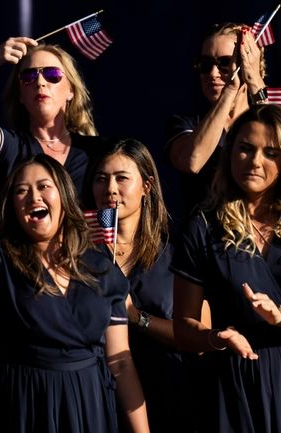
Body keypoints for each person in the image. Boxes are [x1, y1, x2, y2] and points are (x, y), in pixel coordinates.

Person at [0, 132, 149, 432]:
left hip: (88, 404)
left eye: (44, 187)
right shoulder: (2, 257)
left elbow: (120, 362)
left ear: (65, 198)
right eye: (21, 191)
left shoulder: (100, 267)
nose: (34, 197)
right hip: (23, 404)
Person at [171, 105, 281, 433]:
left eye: (270, 153)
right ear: (229, 154)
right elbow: (183, 328)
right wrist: (215, 338)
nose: (255, 161)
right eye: (244, 149)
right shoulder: (203, 225)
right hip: (235, 382)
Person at [88, 138, 196, 432]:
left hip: (167, 397)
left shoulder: (175, 253)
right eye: (101, 179)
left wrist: (136, 317)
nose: (110, 189)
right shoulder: (79, 256)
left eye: (122, 178)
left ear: (147, 187)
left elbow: (198, 337)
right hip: (96, 400)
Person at [0, 38, 104, 214]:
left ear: (70, 90)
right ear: (20, 95)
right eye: (28, 77)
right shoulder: (11, 147)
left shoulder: (93, 152)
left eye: (52, 75)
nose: (40, 82)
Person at [166, 23, 268, 216]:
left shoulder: (267, 116)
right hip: (206, 238)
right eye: (205, 64)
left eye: (225, 63)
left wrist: (254, 79)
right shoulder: (185, 123)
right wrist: (230, 89)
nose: (213, 74)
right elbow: (192, 161)